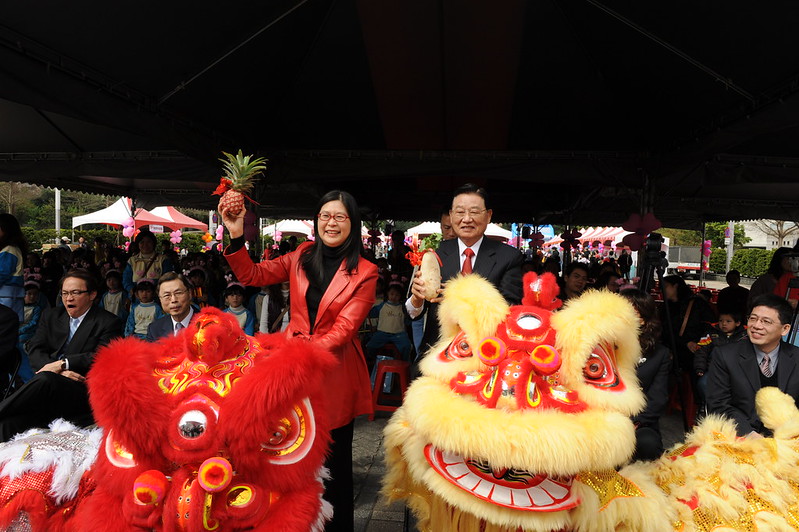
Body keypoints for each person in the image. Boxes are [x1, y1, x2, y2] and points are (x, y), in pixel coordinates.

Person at [220, 189, 377, 532]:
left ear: (353, 223)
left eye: (339, 217)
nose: (330, 223)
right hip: (290, 368)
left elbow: (344, 330)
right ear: (316, 220)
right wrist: (235, 235)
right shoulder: (302, 254)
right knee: (289, 455)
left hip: (332, 374)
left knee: (333, 466)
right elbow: (253, 276)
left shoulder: (366, 272)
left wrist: (299, 356)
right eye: (324, 216)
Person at [0, 269, 122, 442]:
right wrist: (57, 370)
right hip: (48, 391)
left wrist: (64, 363)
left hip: (81, 392)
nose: (68, 298)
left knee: (46, 379)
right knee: (6, 424)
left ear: (92, 294)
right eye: (64, 293)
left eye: (75, 293)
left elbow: (102, 356)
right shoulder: (51, 315)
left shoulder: (109, 322)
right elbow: (35, 348)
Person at [407, 184, 523, 357]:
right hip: (437, 354)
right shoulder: (434, 253)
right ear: (452, 215)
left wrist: (460, 296)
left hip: (485, 354)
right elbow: (412, 314)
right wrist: (416, 300)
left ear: (488, 215)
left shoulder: (508, 257)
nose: (467, 219)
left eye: (474, 212)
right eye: (460, 212)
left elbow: (511, 309)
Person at [707, 294, 799, 436]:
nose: (756, 326)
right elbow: (719, 404)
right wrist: (748, 434)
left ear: (785, 329)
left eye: (766, 321)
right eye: (753, 318)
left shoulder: (796, 358)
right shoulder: (725, 355)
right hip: (739, 437)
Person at [620, 288, 671, 460]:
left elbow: (657, 399)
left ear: (643, 319)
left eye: (630, 313)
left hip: (639, 421)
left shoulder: (659, 354)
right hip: (601, 418)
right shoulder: (602, 346)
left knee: (647, 443)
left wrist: (634, 422)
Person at [693, 311, 747, 405]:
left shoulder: (745, 336)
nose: (724, 324)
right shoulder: (710, 334)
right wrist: (700, 368)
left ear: (737, 323)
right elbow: (701, 352)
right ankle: (709, 406)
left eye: (728, 321)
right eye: (721, 321)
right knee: (703, 384)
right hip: (714, 371)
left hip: (737, 372)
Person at [122, 229, 173, 300]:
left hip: (157, 300)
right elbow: (126, 280)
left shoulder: (163, 260)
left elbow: (168, 279)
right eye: (142, 242)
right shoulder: (132, 260)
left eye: (148, 242)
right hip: (137, 301)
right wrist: (133, 291)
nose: (145, 245)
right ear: (138, 244)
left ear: (153, 243)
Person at [366, 282, 411, 361]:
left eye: (397, 295)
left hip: (399, 334)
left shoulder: (403, 308)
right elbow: (371, 314)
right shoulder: (381, 306)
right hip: (382, 333)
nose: (394, 297)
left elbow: (408, 320)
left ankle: (403, 363)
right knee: (370, 345)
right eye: (392, 294)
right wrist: (372, 326)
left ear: (400, 296)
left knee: (407, 346)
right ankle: (372, 361)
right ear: (388, 294)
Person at [146, 272, 196, 342]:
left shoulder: (208, 323)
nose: (173, 300)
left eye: (178, 293)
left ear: (190, 294)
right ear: (160, 299)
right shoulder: (154, 329)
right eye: (167, 295)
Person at [0, 213, 28, 322]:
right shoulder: (10, 249)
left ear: (6, 230)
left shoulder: (9, 250)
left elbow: (1, 274)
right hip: (10, 297)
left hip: (6, 298)